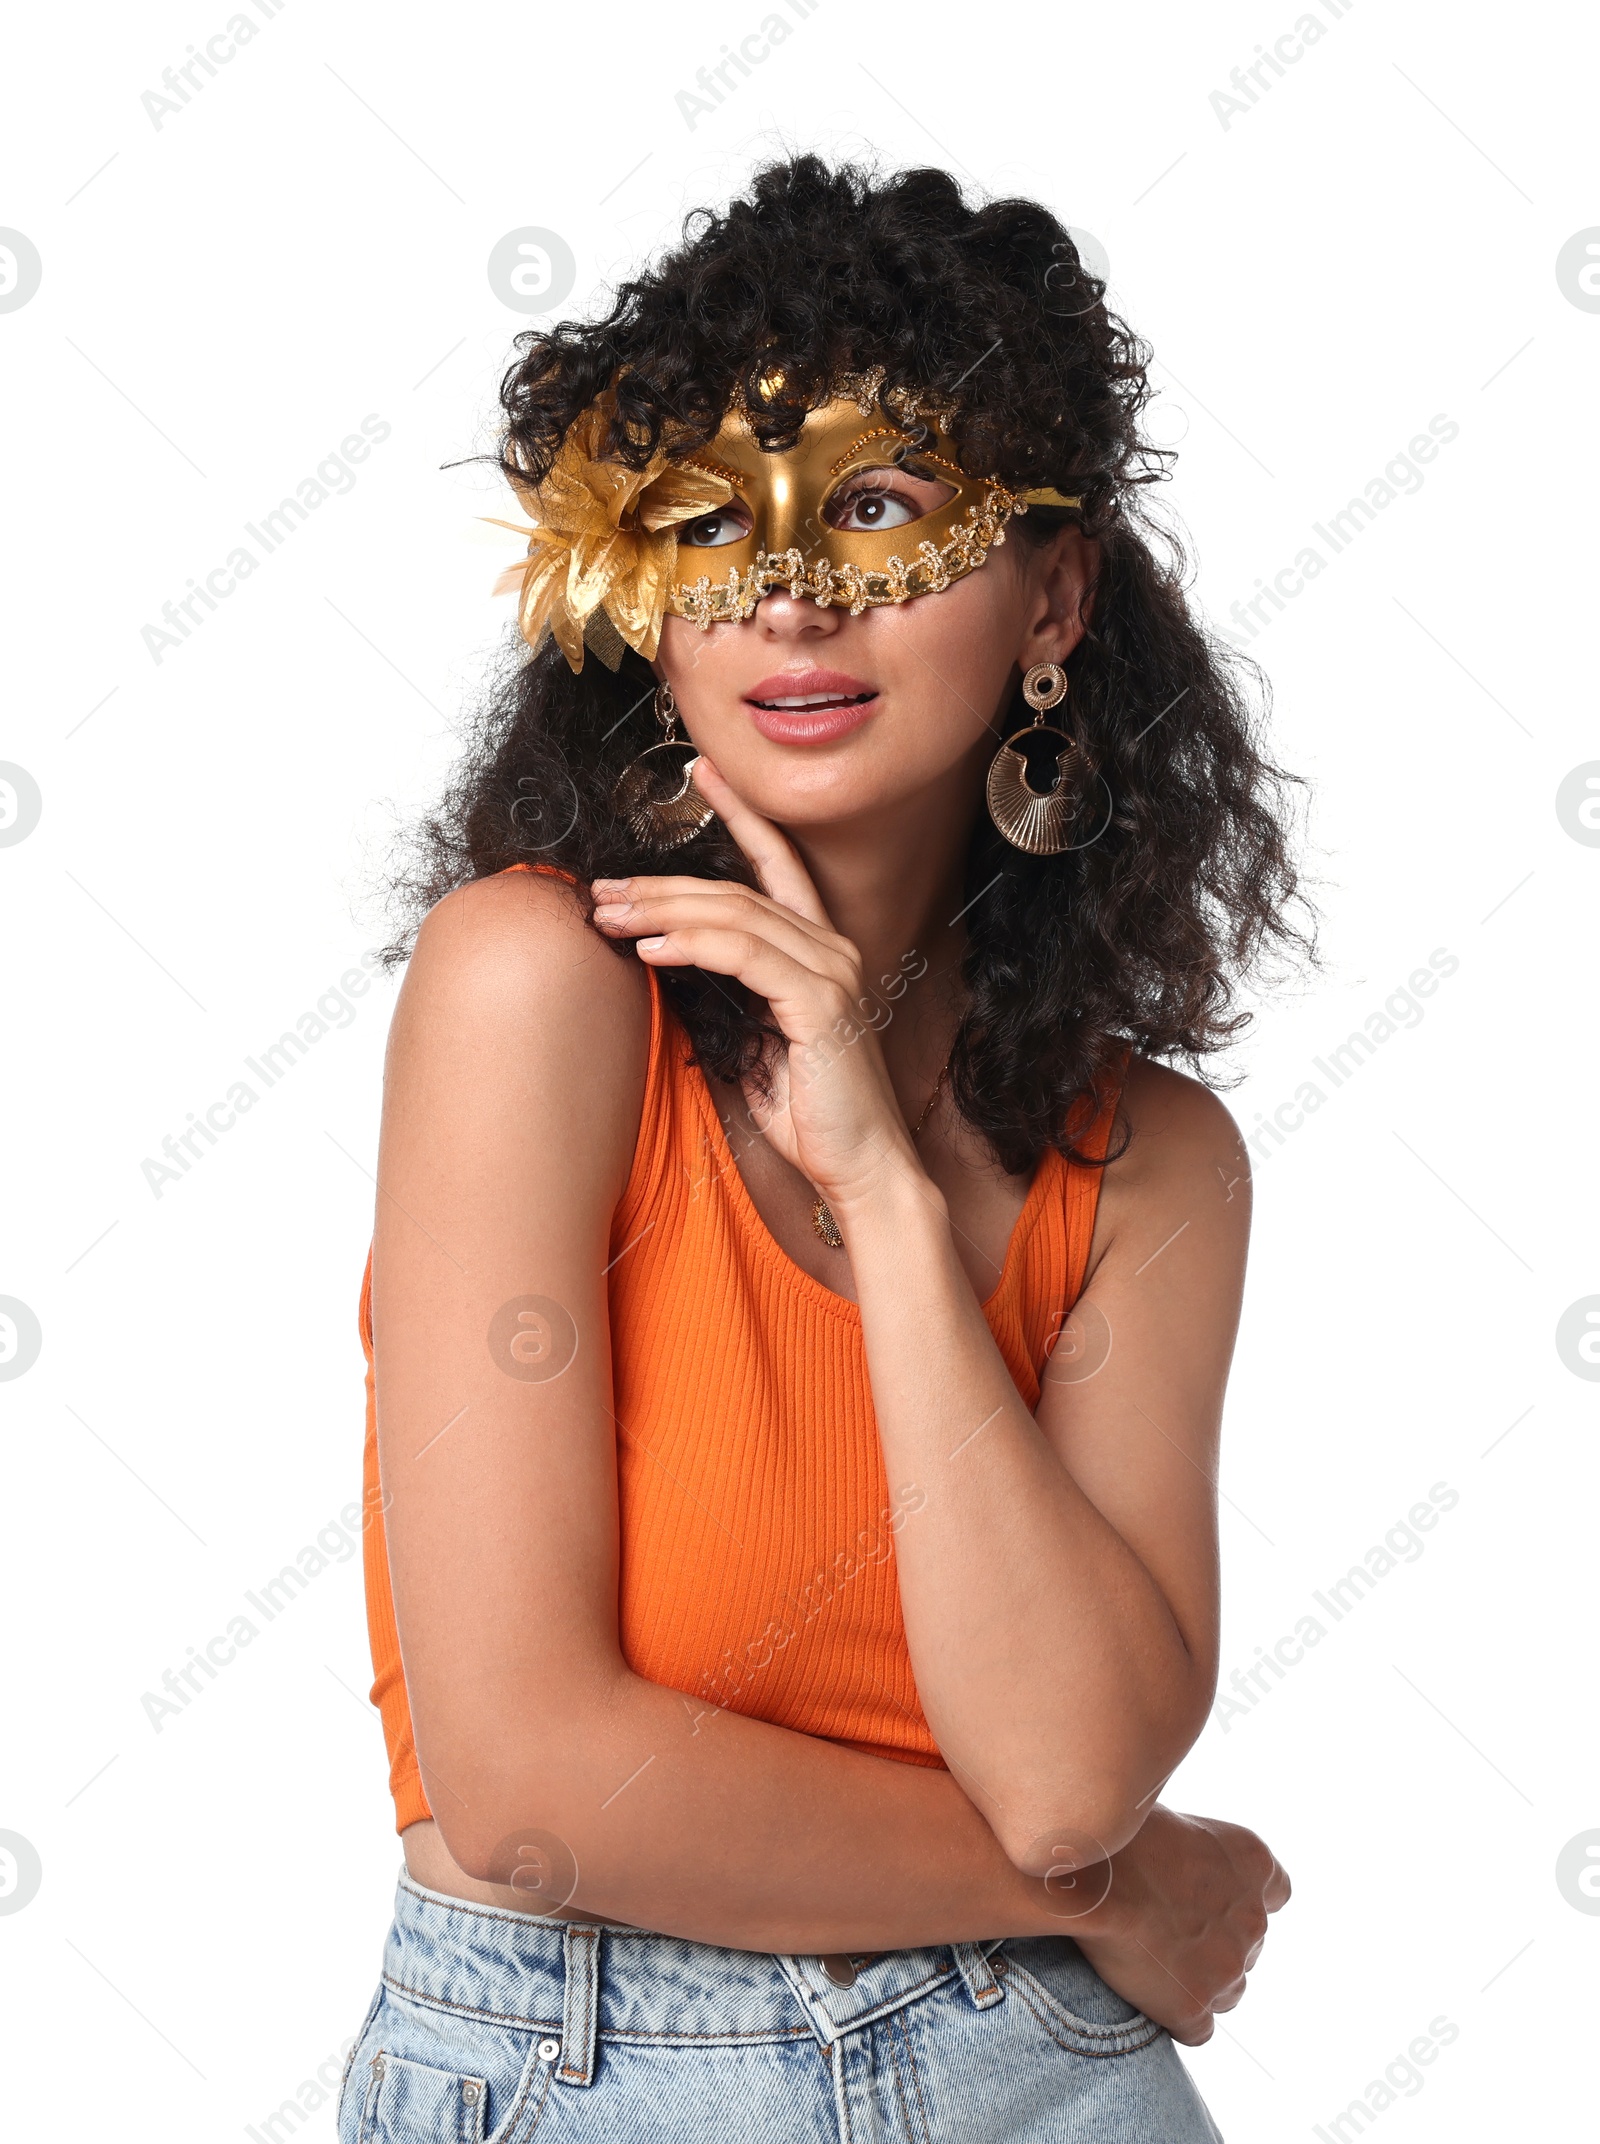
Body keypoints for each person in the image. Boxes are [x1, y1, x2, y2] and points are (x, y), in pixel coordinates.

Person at [340, 155, 1306, 2143]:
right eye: (707, 519)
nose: (785, 590)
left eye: (874, 503)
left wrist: (876, 1178)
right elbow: (523, 1786)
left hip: (1053, 2078)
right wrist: (1116, 1891)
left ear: (1051, 593)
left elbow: (1054, 1775)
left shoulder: (1151, 1169)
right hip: (586, 2066)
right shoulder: (533, 988)